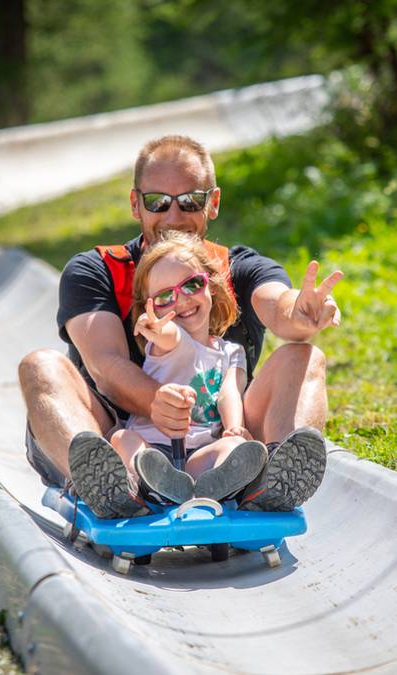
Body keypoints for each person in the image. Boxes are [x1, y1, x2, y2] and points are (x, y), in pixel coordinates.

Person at [19, 134, 343, 519]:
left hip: (215, 437)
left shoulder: (238, 268)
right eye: (158, 202)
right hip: (114, 435)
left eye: (190, 201)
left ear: (214, 204)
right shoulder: (95, 271)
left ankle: (267, 482)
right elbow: (105, 367)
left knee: (305, 356)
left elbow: (277, 302)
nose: (173, 217)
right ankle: (108, 485)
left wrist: (300, 313)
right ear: (135, 204)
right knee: (39, 365)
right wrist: (157, 402)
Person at [100, 231, 268, 509]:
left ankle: (214, 488)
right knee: (122, 439)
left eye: (192, 285)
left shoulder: (232, 351)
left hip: (201, 452)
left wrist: (234, 427)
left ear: (211, 285)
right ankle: (144, 486)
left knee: (234, 449)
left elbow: (230, 392)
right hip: (152, 450)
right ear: (150, 308)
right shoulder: (168, 342)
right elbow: (171, 336)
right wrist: (156, 327)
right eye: (165, 297)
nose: (181, 301)